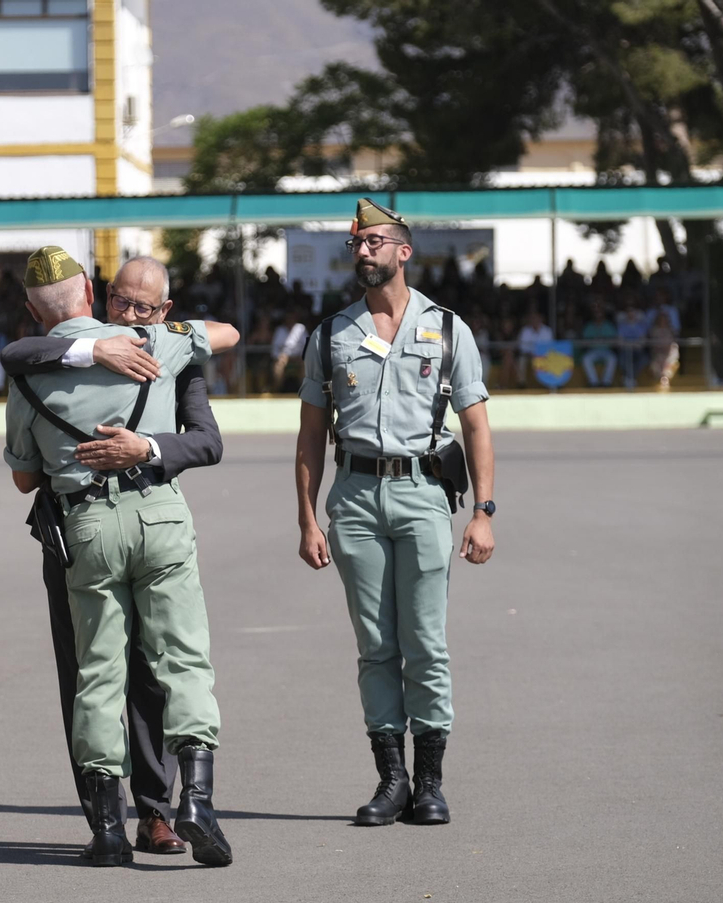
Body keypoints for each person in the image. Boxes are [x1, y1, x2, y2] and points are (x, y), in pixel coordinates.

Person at [2, 246, 242, 868]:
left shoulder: (29, 372)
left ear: (32, 308)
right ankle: (198, 800)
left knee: (98, 673)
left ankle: (109, 828)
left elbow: (25, 479)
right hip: (159, 514)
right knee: (184, 660)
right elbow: (227, 333)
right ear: (91, 291)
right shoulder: (159, 344)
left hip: (86, 526)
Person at [294, 199, 496, 829]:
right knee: (376, 645)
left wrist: (483, 511)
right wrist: (306, 517)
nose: (363, 251)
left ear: (404, 251)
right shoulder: (331, 335)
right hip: (353, 498)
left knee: (426, 643)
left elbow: (476, 423)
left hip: (422, 496)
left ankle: (431, 782)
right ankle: (391, 779)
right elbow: (307, 435)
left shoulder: (447, 327)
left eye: (375, 241)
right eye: (356, 243)